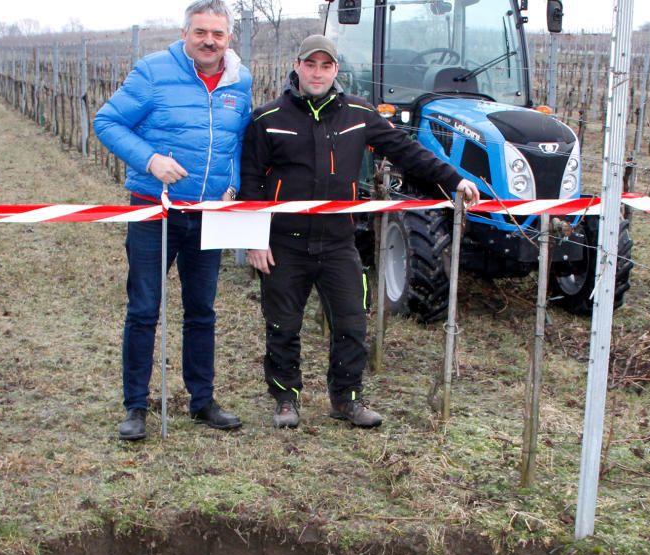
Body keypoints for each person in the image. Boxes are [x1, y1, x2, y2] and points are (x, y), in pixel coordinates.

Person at [240, 35, 479, 429]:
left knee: (352, 324)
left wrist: (453, 179)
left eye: (326, 65)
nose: (317, 73)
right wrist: (254, 239)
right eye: (310, 64)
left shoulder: (359, 113)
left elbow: (407, 151)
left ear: (336, 70)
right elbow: (251, 182)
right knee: (282, 325)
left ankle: (347, 399)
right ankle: (285, 399)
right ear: (297, 66)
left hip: (338, 242)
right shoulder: (268, 118)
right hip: (285, 244)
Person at [94, 0, 251, 440]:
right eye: (200, 32)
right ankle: (136, 406)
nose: (209, 41)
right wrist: (151, 160)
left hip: (208, 214)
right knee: (144, 308)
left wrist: (233, 183)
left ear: (228, 38)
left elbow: (239, 140)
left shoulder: (240, 80)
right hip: (154, 210)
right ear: (185, 34)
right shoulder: (152, 72)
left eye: (217, 34)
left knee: (202, 310)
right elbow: (107, 122)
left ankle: (202, 401)